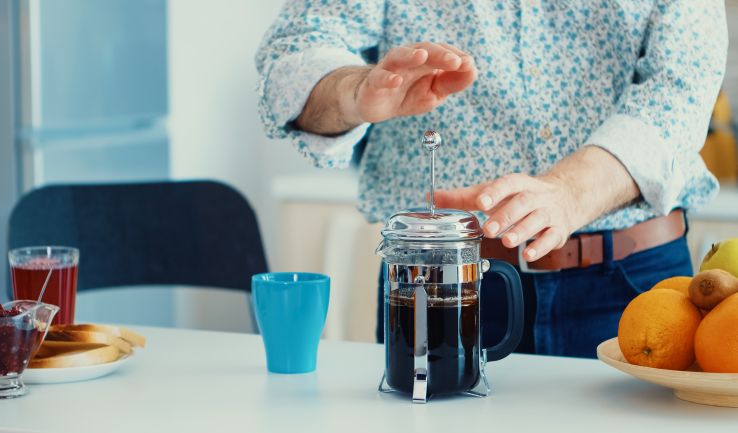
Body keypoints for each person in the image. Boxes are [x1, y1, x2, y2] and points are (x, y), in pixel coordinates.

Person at [255, 1, 727, 357]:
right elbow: (294, 50)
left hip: (639, 290)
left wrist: (570, 193)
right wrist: (354, 90)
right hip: (439, 284)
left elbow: (682, 82)